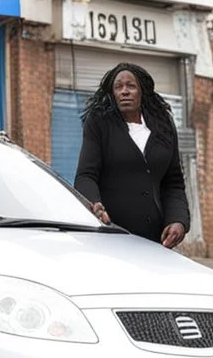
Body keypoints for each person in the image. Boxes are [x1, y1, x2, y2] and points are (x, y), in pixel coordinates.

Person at [74, 62, 189, 249]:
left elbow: (173, 181)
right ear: (112, 93)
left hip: (156, 238)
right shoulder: (99, 123)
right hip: (113, 235)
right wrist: (94, 205)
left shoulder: (163, 124)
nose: (124, 91)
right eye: (118, 87)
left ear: (142, 91)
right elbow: (86, 176)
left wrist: (178, 220)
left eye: (131, 86)